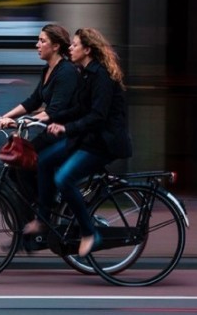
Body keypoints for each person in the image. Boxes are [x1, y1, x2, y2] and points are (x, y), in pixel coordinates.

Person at [24, 28, 132, 257]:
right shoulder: (85, 73)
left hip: (103, 143)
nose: (70, 48)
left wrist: (66, 127)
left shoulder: (101, 76)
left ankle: (90, 233)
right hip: (86, 138)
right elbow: (78, 108)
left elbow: (97, 116)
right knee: (43, 160)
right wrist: (54, 118)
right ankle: (43, 219)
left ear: (88, 50)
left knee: (64, 178)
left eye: (74, 45)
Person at [0, 24, 79, 242]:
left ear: (56, 46)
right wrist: (4, 117)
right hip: (49, 131)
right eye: (38, 40)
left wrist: (20, 122)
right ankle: (34, 222)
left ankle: (45, 212)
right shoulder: (47, 70)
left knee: (26, 162)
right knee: (16, 168)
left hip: (65, 134)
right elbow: (33, 101)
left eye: (42, 41)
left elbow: (55, 111)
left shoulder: (66, 72)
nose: (37, 45)